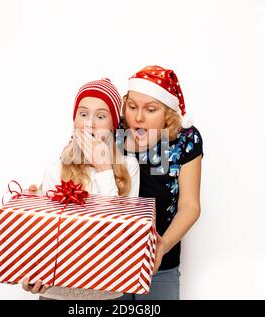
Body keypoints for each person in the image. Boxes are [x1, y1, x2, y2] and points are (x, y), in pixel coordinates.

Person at [24, 78, 140, 300]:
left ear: (113, 125)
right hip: (55, 294)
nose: (90, 124)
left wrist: (104, 168)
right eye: (84, 114)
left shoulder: (129, 168)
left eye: (101, 116)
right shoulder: (54, 170)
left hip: (108, 295)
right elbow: (47, 241)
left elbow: (121, 237)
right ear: (74, 120)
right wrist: (33, 272)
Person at [116, 65, 204, 300]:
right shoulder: (112, 133)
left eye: (150, 109)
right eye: (132, 106)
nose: (138, 117)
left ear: (168, 114)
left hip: (161, 265)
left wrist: (162, 246)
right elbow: (78, 181)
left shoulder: (186, 139)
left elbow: (190, 206)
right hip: (110, 262)